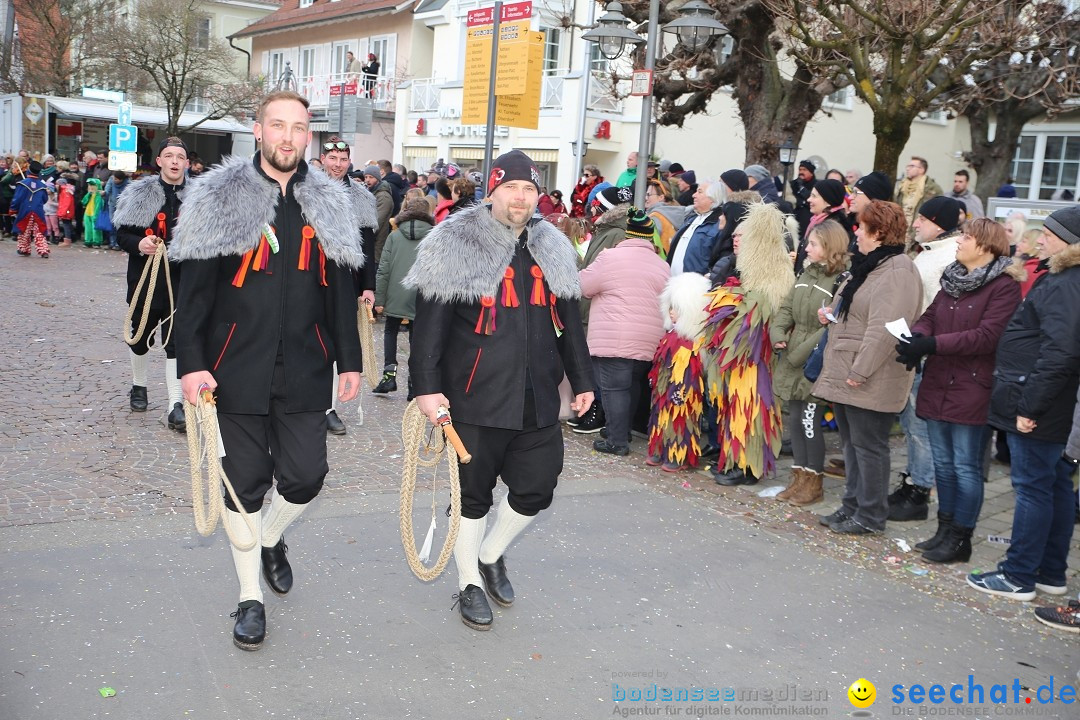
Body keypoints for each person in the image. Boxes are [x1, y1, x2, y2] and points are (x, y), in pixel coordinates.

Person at [172, 90, 365, 650]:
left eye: (298, 128)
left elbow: (342, 288)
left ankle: (271, 538)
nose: (287, 136)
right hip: (233, 369)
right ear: (256, 131)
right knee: (244, 485)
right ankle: (249, 596)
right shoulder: (219, 198)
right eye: (277, 125)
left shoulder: (329, 202)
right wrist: (191, 365)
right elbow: (195, 295)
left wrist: (348, 359)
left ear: (309, 137)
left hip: (306, 366)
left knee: (306, 476)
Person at [404, 149, 593, 631]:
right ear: (493, 189)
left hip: (538, 395)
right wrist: (425, 388)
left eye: (530, 189)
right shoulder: (455, 241)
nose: (521, 197)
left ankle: (489, 555)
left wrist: (584, 380)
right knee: (472, 496)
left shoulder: (552, 246)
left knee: (537, 487)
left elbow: (571, 321)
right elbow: (430, 325)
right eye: (512, 187)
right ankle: (468, 582)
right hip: (473, 395)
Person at [968, 206, 1080, 601]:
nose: (1040, 240)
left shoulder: (1066, 283)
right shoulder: (1063, 277)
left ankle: (1018, 576)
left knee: (1033, 488)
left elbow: (1060, 353)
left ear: (1069, 242)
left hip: (1039, 402)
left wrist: (1030, 407)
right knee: (1052, 484)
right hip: (1042, 398)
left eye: (1048, 234)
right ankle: (1050, 573)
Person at [895, 218, 1021, 563]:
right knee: (945, 465)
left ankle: (961, 538)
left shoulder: (1003, 286)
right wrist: (918, 335)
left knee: (966, 467)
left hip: (973, 385)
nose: (959, 241)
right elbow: (931, 315)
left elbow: (986, 337)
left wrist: (932, 344)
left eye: (966, 237)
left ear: (985, 245)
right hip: (939, 381)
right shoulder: (953, 278)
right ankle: (944, 529)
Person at [813, 201, 923, 534]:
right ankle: (851, 507)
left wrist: (860, 371)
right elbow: (855, 310)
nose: (856, 232)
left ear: (878, 232)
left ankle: (871, 516)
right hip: (849, 368)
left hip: (871, 374)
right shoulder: (870, 265)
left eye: (861, 227)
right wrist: (831, 312)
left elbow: (884, 329)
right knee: (851, 445)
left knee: (870, 447)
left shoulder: (897, 270)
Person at [701, 202, 795, 486]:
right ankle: (735, 460)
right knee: (736, 410)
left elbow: (772, 314)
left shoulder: (774, 274)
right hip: (740, 354)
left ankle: (749, 467)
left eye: (744, 236)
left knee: (752, 410)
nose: (736, 240)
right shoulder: (748, 270)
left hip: (757, 355)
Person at [888, 195, 966, 522]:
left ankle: (920, 490)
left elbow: (938, 309)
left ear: (938, 223)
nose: (916, 224)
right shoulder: (930, 253)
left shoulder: (948, 257)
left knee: (920, 426)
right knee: (912, 423)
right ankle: (913, 480)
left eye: (922, 219)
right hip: (915, 346)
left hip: (928, 354)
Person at [770, 220, 850, 505]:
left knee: (809, 422)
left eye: (814, 243)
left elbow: (830, 326)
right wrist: (777, 332)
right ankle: (798, 478)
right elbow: (788, 307)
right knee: (795, 420)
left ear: (830, 248)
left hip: (814, 360)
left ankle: (813, 482)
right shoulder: (805, 273)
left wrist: (797, 353)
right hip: (794, 355)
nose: (808, 247)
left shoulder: (842, 281)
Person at [579, 208, 670, 456]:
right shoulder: (662, 265)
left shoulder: (610, 258)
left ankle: (617, 440)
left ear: (627, 235)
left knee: (613, 388)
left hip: (614, 335)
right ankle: (622, 430)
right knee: (632, 385)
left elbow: (584, 286)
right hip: (649, 339)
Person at [112, 137, 190, 429]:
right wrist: (140, 243)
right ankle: (139, 385)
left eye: (179, 157)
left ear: (186, 162)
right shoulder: (138, 193)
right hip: (146, 278)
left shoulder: (198, 196)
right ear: (159, 161)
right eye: (168, 156)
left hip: (182, 280)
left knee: (177, 342)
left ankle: (175, 404)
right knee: (141, 335)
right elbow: (122, 236)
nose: (174, 161)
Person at [319, 136, 380, 436]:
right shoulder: (308, 189)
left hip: (344, 277)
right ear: (323, 159)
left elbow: (368, 245)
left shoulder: (361, 197)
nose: (338, 165)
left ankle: (328, 408)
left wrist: (368, 286)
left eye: (343, 160)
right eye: (333, 159)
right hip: (311, 273)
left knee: (337, 339)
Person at [647, 271, 710, 472]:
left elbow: (692, 371)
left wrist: (683, 389)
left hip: (682, 390)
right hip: (664, 387)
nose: (672, 312)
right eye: (670, 307)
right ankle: (659, 447)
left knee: (681, 419)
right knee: (660, 415)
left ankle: (678, 453)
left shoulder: (692, 342)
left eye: (677, 308)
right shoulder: (671, 335)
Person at [373, 198, 431, 397]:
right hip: (422, 295)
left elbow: (383, 269)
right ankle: (414, 383)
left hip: (395, 292)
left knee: (390, 331)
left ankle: (389, 377)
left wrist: (379, 299)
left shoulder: (394, 236)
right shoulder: (434, 236)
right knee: (417, 337)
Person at [793, 178, 853, 275]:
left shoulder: (833, 228)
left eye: (814, 196)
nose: (809, 199)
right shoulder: (817, 220)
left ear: (828, 201)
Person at [667, 179, 723, 276]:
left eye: (699, 192)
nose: (694, 195)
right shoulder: (691, 219)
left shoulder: (718, 224)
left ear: (712, 198)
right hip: (674, 283)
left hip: (696, 286)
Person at [895, 156, 943, 239]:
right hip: (899, 232)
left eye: (912, 166)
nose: (908, 169)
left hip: (917, 233)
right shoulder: (902, 186)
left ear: (922, 170)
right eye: (908, 166)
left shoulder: (932, 189)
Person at [11, 160, 49, 258]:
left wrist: (13, 208)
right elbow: (45, 199)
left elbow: (17, 198)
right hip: (38, 210)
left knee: (24, 230)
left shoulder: (23, 183)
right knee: (39, 231)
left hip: (25, 210)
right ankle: (43, 250)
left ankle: (24, 249)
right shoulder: (42, 186)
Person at [645, 179, 686, 259]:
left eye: (649, 194)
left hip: (658, 262)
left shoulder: (655, 217)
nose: (646, 198)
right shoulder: (676, 213)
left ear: (661, 197)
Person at [361, 164, 394, 262]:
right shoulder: (371, 193)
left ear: (378, 178)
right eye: (366, 177)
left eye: (371, 177)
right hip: (370, 244)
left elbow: (377, 222)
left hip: (377, 244)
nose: (367, 180)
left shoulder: (383, 197)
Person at [790, 160, 817, 239]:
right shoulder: (793, 184)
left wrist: (802, 189)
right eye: (800, 170)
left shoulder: (816, 185)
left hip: (807, 219)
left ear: (811, 172)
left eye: (804, 170)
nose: (801, 172)